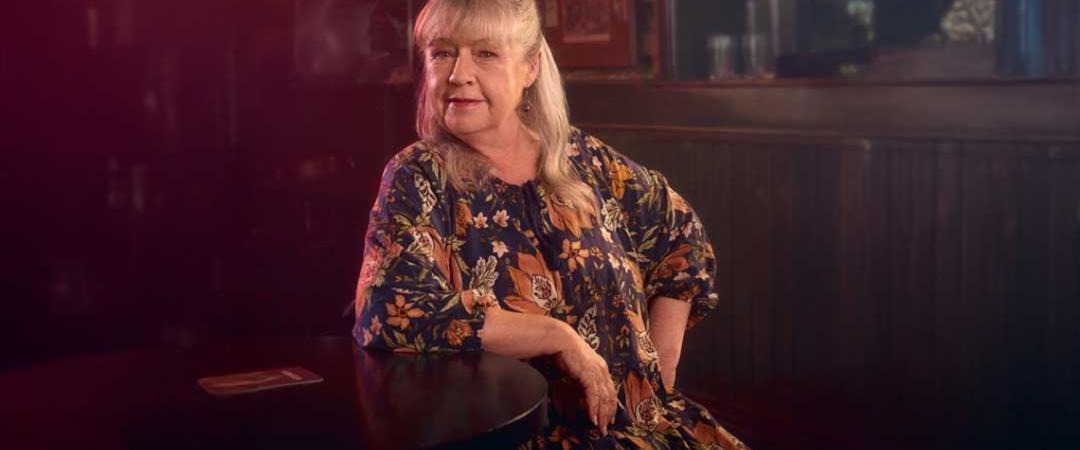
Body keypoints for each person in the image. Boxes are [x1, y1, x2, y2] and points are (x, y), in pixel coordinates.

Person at [352, 1, 748, 448]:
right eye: (442, 53)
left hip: (648, 431)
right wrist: (555, 336)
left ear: (530, 67)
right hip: (527, 437)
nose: (458, 73)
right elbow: (388, 310)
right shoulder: (417, 175)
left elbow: (682, 233)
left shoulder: (583, 159)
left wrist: (659, 375)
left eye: (485, 53)